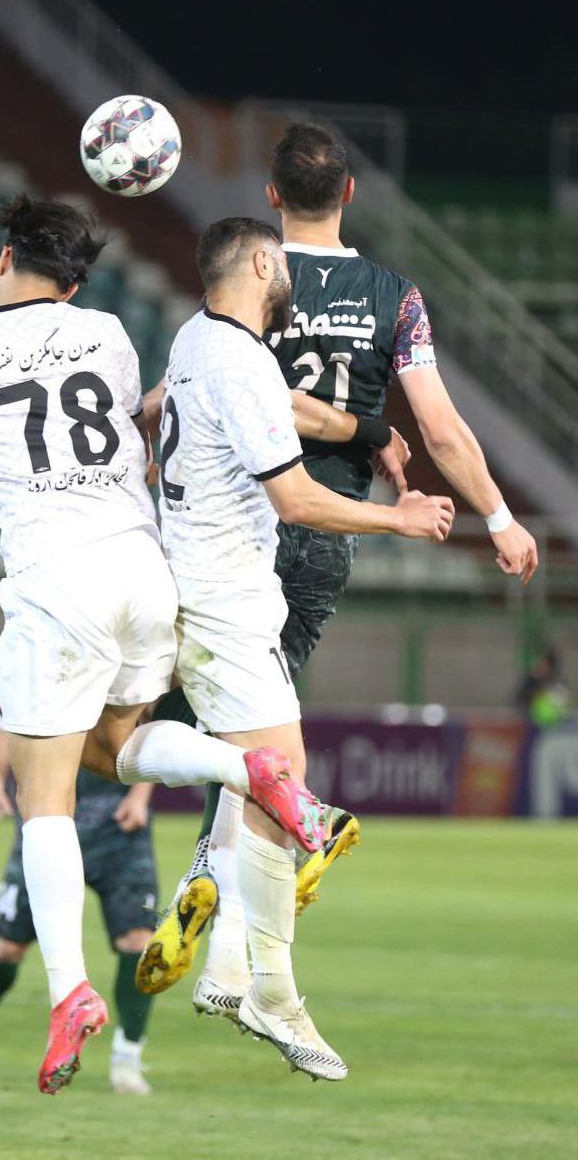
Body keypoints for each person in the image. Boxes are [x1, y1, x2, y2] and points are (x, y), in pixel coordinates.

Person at [0, 194, 362, 1095]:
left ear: (4, 259)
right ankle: (248, 769)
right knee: (110, 750)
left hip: (55, 583)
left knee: (46, 798)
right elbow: (140, 429)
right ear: (73, 283)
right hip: (145, 572)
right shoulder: (108, 334)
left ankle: (68, 991)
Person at [138, 123, 539, 1011]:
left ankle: (190, 872)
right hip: (322, 525)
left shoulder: (249, 276)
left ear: (271, 197)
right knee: (261, 736)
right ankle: (222, 921)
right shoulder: (394, 296)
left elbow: (186, 391)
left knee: (217, 725)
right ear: (349, 193)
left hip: (220, 525)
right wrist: (498, 517)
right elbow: (440, 430)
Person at [147, 214, 454, 1080]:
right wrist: (397, 519)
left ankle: (226, 967)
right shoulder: (243, 361)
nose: (287, 274)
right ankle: (269, 992)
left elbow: (269, 408)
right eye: (279, 263)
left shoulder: (194, 339)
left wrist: (363, 432)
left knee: (204, 766)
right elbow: (297, 502)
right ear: (260, 262)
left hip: (179, 578)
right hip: (226, 596)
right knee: (280, 786)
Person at [0, 681, 159, 1095]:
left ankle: (127, 1057)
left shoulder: (124, 654)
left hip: (117, 827)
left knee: (138, 941)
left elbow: (150, 722)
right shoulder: (23, 658)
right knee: (7, 947)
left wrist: (140, 796)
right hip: (46, 824)